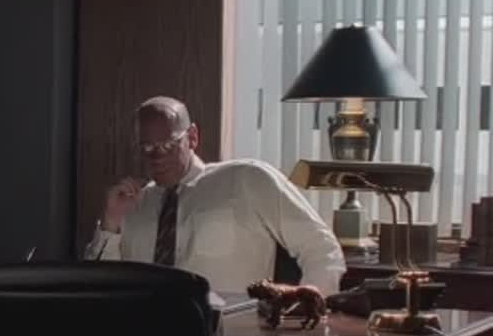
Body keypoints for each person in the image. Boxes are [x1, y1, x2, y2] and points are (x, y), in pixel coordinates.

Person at [84, 96, 346, 295]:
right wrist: (110, 224)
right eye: (147, 147)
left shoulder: (247, 179)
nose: (157, 157)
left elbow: (322, 249)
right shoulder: (134, 203)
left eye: (168, 144)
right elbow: (100, 287)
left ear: (192, 137)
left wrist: (306, 310)